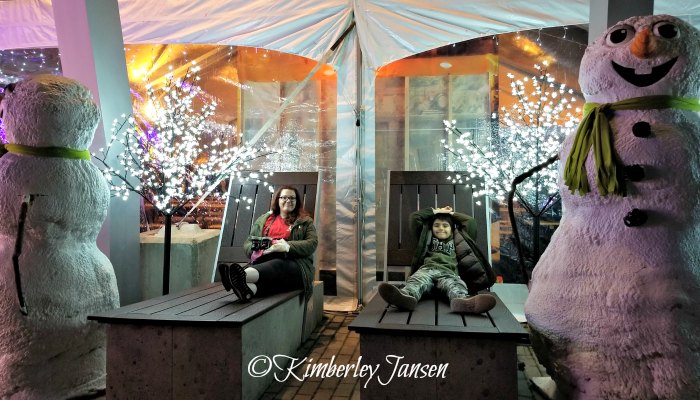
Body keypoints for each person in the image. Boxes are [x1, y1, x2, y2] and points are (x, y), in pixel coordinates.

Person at [378, 206, 497, 314]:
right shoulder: (425, 237)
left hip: (449, 273)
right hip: (427, 270)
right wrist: (437, 211)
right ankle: (405, 297)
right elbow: (414, 217)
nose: (441, 228)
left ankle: (463, 302)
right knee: (417, 281)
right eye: (436, 225)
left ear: (451, 228)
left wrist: (450, 213)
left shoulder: (459, 238)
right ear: (431, 227)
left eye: (445, 226)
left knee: (455, 286)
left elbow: (470, 221)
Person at [218, 185, 318, 302]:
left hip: (296, 265)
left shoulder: (305, 221)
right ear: (277, 200)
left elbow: (312, 243)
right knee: (266, 284)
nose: (288, 201)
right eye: (284, 197)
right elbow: (248, 243)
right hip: (265, 262)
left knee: (278, 264)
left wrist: (287, 247)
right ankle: (246, 291)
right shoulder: (265, 219)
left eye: (292, 198)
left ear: (297, 201)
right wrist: (258, 248)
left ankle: (236, 277)